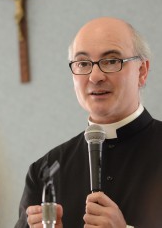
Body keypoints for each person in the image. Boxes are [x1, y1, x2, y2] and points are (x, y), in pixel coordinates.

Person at [14, 17, 162, 228]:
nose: (95, 76)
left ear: (142, 71)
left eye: (111, 61)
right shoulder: (45, 170)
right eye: (83, 63)